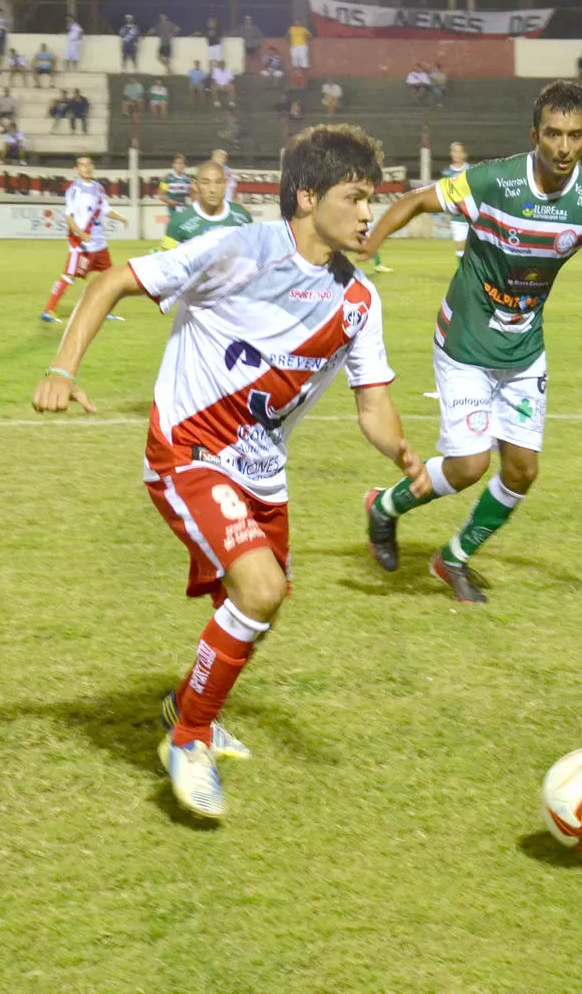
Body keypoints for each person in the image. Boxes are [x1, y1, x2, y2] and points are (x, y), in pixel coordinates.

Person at [31, 123, 431, 820]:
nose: (370, 213)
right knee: (261, 587)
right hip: (188, 449)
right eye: (356, 196)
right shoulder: (238, 250)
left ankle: (188, 706)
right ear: (307, 196)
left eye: (373, 198)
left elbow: (373, 406)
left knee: (258, 610)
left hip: (260, 473)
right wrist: (62, 368)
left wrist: (400, 453)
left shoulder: (358, 300)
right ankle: (187, 741)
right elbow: (114, 280)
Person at [359, 80, 582, 604]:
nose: (563, 146)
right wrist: (372, 242)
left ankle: (453, 558)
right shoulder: (495, 181)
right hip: (465, 338)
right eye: (553, 133)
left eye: (575, 135)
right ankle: (384, 508)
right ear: (535, 134)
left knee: (524, 470)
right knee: (468, 467)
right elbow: (417, 201)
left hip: (523, 348)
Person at [40, 154, 130, 322]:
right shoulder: (74, 190)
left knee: (109, 277)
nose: (87, 167)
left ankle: (104, 311)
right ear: (76, 169)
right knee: (69, 275)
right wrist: (81, 235)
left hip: (99, 243)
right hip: (82, 245)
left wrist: (121, 218)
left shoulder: (99, 188)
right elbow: (68, 217)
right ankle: (48, 310)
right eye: (82, 165)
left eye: (89, 164)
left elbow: (105, 210)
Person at [161, 160, 252, 249]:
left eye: (218, 182)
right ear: (195, 186)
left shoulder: (242, 216)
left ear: (225, 184)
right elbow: (167, 261)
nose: (213, 189)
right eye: (205, 182)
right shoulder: (178, 222)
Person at [441, 141, 470, 259]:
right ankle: (463, 274)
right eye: (454, 151)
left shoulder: (471, 170)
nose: (456, 154)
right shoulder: (446, 173)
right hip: (457, 216)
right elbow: (447, 193)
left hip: (473, 216)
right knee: (460, 248)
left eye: (459, 152)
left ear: (464, 154)